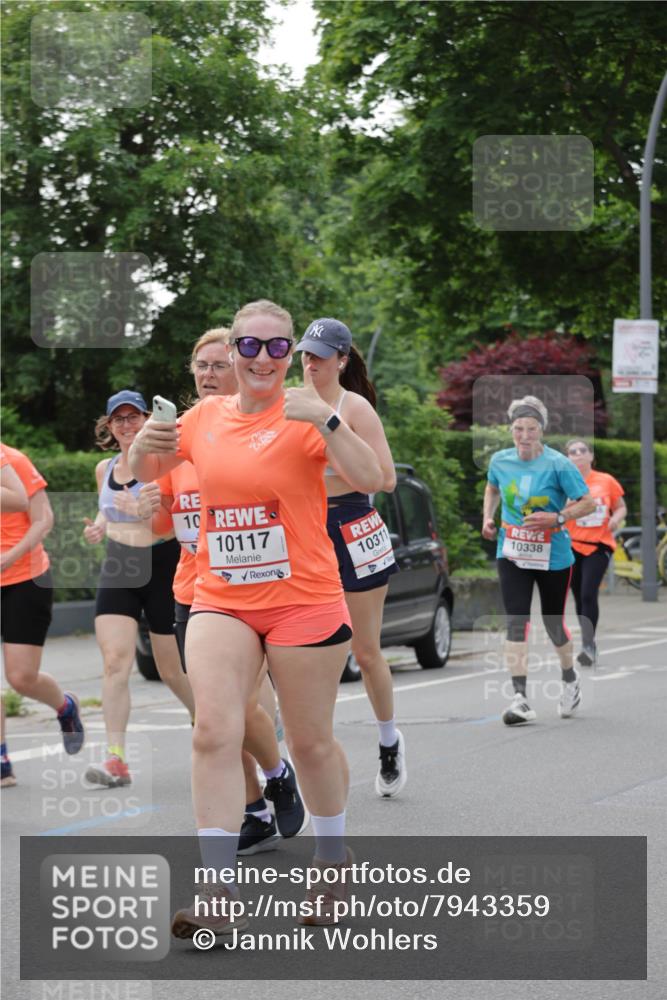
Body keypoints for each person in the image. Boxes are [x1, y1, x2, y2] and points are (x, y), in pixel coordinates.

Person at [130, 299, 384, 937]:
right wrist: (144, 445)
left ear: (290, 353)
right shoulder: (204, 417)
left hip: (304, 597)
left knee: (310, 743)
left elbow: (372, 477)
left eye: (276, 347)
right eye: (249, 346)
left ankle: (332, 861)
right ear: (234, 352)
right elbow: (145, 473)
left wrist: (327, 419)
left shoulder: (308, 411)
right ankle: (217, 890)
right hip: (222, 596)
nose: (262, 358)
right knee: (213, 731)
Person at [148, 328, 306, 853]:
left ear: (239, 368)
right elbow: (163, 524)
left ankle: (276, 772)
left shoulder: (268, 430)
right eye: (202, 366)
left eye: (219, 364)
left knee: (238, 708)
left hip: (257, 592)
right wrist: (146, 509)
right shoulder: (181, 436)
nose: (210, 374)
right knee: (213, 715)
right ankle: (255, 807)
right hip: (194, 590)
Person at [295, 318, 403, 797]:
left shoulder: (354, 406)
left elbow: (386, 479)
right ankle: (309, 752)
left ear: (341, 361)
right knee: (303, 653)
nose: (310, 363)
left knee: (364, 651)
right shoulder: (288, 404)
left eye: (321, 355)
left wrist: (329, 446)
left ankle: (389, 740)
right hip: (302, 528)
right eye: (306, 354)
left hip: (353, 526)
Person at [82, 390, 194, 788]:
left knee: (172, 669)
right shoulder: (105, 468)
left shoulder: (162, 464)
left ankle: (209, 723)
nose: (127, 425)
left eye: (134, 417)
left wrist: (143, 514)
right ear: (110, 426)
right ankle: (116, 759)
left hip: (162, 563)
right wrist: (99, 526)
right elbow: (107, 506)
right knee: (115, 662)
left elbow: (173, 517)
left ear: (147, 420)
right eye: (119, 419)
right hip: (120, 565)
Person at [481, 396, 595, 725]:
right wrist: (488, 517)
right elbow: (492, 488)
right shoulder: (500, 460)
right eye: (518, 428)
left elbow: (587, 503)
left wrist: (558, 518)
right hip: (512, 551)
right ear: (511, 429)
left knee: (552, 622)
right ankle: (520, 699)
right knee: (516, 620)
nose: (524, 435)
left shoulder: (559, 464)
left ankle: (570, 678)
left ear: (541, 431)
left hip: (553, 556)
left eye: (531, 429)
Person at [1, 442, 85, 787]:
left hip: (25, 578)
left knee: (21, 678)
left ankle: (65, 707)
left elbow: (43, 519)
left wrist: (9, 557)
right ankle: (2, 759)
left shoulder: (13, 460)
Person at [564, 439, 626, 667]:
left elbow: (620, 506)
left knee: (589, 593)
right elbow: (552, 510)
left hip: (599, 545)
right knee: (579, 596)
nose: (578, 454)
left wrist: (616, 519)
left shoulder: (606, 480)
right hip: (571, 545)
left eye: (583, 450)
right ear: (568, 458)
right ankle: (587, 640)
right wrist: (567, 503)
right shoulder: (563, 482)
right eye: (573, 451)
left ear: (591, 456)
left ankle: (588, 645)